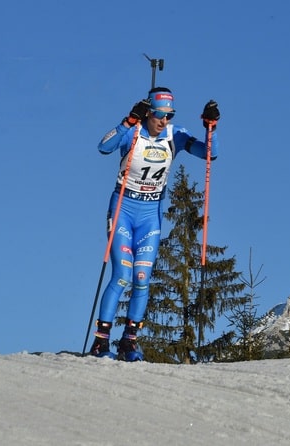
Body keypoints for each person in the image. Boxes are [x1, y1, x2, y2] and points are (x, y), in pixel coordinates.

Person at [90, 87, 220, 361]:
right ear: (149, 112)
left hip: (150, 215)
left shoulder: (175, 135)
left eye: (169, 115)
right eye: (160, 115)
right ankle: (101, 342)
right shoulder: (133, 131)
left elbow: (210, 153)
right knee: (122, 275)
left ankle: (129, 342)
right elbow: (104, 146)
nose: (164, 121)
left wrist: (211, 127)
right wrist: (128, 121)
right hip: (124, 208)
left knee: (141, 279)